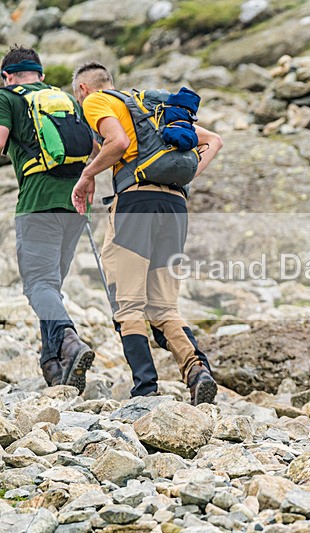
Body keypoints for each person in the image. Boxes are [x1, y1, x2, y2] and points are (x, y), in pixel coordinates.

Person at [69, 62, 223, 404]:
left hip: (136, 204)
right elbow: (214, 141)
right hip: (175, 206)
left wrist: (87, 176)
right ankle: (197, 372)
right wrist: (187, 175)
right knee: (164, 307)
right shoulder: (151, 107)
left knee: (128, 305)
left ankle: (145, 388)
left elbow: (118, 142)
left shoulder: (96, 101)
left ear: (82, 89)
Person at [0, 45, 95, 391]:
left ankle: (69, 341)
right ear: (40, 74)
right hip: (76, 206)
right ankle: (54, 367)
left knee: (38, 284)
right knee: (49, 286)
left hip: (38, 203)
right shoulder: (66, 100)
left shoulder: (7, 98)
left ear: (7, 77)